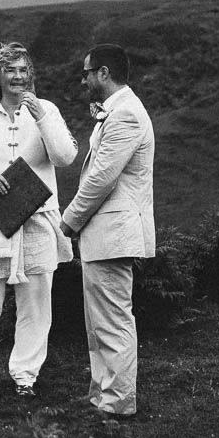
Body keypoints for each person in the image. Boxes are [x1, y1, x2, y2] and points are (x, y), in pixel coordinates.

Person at [0, 39, 79, 400]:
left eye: (24, 70)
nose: (18, 77)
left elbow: (66, 156)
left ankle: (25, 376)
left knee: (37, 300)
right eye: (11, 70)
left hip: (36, 219)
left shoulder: (48, 110)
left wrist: (41, 115)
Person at [59, 44, 155, 418]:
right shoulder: (117, 112)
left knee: (113, 321)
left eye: (86, 73)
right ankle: (101, 395)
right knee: (98, 323)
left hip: (114, 233)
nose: (83, 79)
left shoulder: (126, 114)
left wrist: (69, 220)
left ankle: (116, 404)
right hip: (104, 235)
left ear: (103, 73)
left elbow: (101, 178)